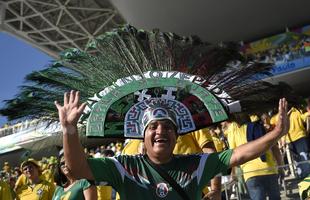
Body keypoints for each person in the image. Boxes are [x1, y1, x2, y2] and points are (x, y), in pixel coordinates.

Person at [55, 90, 289, 200]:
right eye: (154, 127)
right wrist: (69, 129)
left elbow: (238, 156)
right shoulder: (123, 166)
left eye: (168, 127)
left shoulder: (194, 164)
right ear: (142, 137)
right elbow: (77, 169)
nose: (161, 131)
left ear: (177, 137)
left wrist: (277, 133)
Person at [225, 114, 283, 200]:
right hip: (270, 169)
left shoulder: (233, 131)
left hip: (250, 173)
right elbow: (275, 149)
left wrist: (233, 175)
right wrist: (281, 167)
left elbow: (233, 156)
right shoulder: (259, 128)